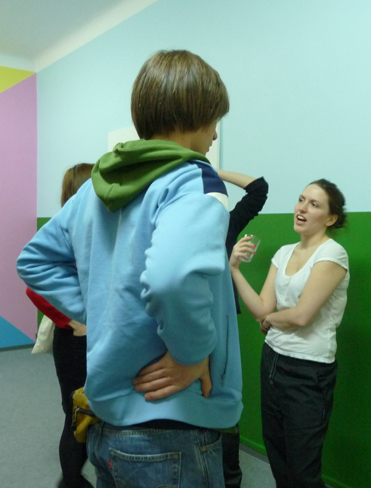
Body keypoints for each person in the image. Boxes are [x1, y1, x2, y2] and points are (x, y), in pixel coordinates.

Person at [17, 50, 242, 488]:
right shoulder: (194, 181)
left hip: (107, 423)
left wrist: (108, 310)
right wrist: (191, 353)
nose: (215, 133)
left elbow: (34, 260)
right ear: (197, 116)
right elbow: (172, 277)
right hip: (174, 420)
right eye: (215, 120)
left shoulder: (94, 190)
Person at [229, 179, 349, 488]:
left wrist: (271, 319)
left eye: (314, 204)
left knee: (303, 470)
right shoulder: (283, 253)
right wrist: (234, 270)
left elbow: (301, 316)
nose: (302, 208)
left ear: (331, 218)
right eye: (301, 199)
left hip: (308, 370)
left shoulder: (332, 254)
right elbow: (261, 308)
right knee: (278, 458)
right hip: (272, 360)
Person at [25, 163, 94, 488]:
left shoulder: (94, 229)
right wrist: (72, 320)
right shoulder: (66, 230)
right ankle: (71, 481)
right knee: (77, 413)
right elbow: (34, 287)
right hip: (75, 341)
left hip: (93, 338)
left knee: (93, 412)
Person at [217, 169, 268, 487]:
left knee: (224, 397)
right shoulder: (175, 227)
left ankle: (230, 477)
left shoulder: (226, 224)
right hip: (184, 321)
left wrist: (212, 170)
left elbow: (258, 189)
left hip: (221, 319)